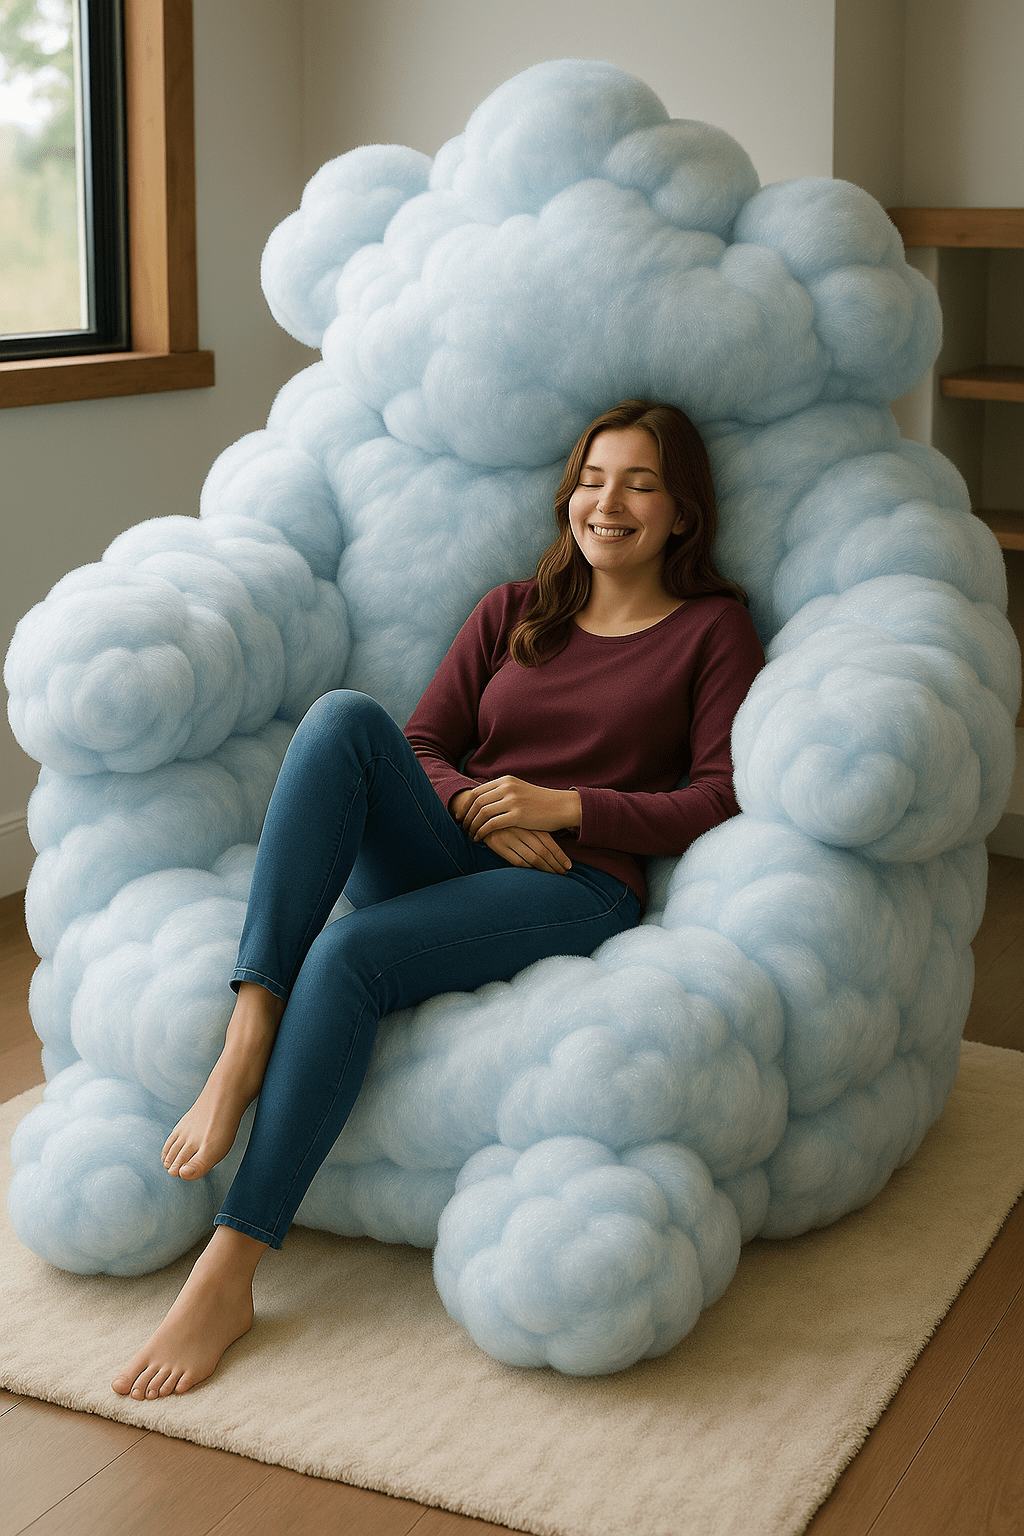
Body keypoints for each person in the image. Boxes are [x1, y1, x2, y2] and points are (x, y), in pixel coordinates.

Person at [111, 399, 765, 1399]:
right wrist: (483, 813)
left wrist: (565, 809)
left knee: (351, 953)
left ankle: (231, 1269)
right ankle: (251, 1027)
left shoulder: (711, 629)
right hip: (464, 847)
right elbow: (417, 748)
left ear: (682, 513)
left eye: (640, 482)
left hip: (577, 886)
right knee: (342, 722)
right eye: (593, 478)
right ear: (568, 496)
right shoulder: (513, 609)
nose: (608, 501)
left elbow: (716, 794)